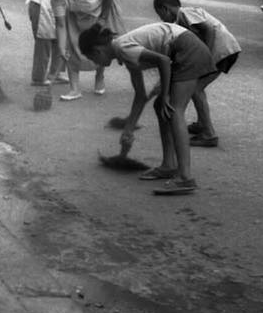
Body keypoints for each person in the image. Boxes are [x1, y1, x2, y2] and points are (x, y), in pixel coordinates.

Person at [79, 21, 215, 195]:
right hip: (186, 50)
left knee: (174, 110)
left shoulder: (122, 48)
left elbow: (163, 61)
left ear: (97, 50)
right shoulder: (124, 53)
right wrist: (128, 129)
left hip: (188, 51)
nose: (96, 63)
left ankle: (185, 178)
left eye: (92, 59)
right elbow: (140, 95)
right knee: (161, 107)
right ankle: (169, 165)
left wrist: (165, 95)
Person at [153, 0, 240, 148]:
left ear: (166, 9)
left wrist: (206, 56)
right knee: (196, 87)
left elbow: (207, 29)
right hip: (221, 51)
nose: (161, 20)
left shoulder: (186, 13)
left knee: (195, 89)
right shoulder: (180, 24)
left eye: (160, 15)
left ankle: (209, 134)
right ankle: (202, 123)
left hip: (222, 50)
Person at [44, 0, 123, 100]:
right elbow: (61, 25)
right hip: (75, 18)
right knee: (71, 49)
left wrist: (103, 19)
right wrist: (62, 49)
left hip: (99, 13)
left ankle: (99, 77)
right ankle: (74, 89)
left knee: (100, 48)